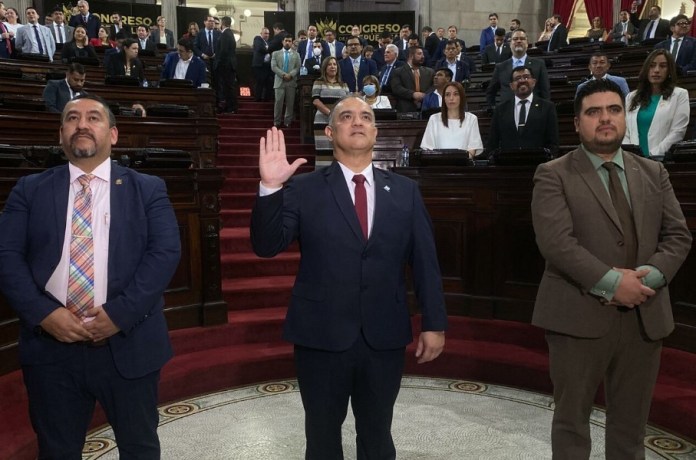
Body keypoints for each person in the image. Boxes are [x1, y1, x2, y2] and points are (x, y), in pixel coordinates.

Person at [251, 95, 447, 459]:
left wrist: (434, 323)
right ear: (329, 131)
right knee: (322, 438)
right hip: (320, 335)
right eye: (346, 117)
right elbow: (266, 245)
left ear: (375, 130)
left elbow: (425, 263)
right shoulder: (303, 187)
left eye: (366, 117)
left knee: (377, 435)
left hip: (384, 336)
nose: (357, 122)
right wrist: (270, 189)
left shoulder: (406, 192)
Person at [0, 93, 181, 459]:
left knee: (140, 448)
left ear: (113, 134)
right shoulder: (29, 190)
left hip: (128, 345)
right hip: (51, 350)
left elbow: (164, 255)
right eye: (72, 118)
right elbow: (6, 257)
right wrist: (44, 314)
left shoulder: (148, 189)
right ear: (61, 134)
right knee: (57, 451)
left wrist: (119, 315)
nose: (82, 124)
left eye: (93, 117)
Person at [531, 78, 692, 459]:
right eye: (594, 112)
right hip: (578, 316)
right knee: (571, 425)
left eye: (614, 110)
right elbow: (557, 243)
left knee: (631, 427)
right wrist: (611, 284)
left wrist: (645, 280)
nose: (605, 119)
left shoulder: (654, 172)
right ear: (576, 123)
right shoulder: (553, 173)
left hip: (644, 317)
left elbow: (678, 237)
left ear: (624, 117)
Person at [624, 49, 689, 159]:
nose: (656, 70)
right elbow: (625, 131)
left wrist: (652, 155)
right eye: (652, 66)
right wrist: (631, 154)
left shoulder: (680, 95)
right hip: (632, 160)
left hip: (660, 159)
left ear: (669, 70)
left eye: (663, 66)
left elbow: (678, 131)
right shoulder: (631, 97)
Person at [487, 66, 558, 152]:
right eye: (517, 78)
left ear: (534, 82)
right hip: (508, 163)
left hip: (539, 162)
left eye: (526, 77)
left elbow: (553, 142)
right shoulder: (501, 109)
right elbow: (493, 142)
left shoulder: (547, 107)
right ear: (511, 86)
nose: (522, 81)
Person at [486, 29, 550, 108]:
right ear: (510, 44)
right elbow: (491, 92)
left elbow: (545, 92)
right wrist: (494, 110)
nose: (518, 41)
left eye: (522, 39)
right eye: (515, 39)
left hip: (533, 112)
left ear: (527, 43)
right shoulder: (501, 67)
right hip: (508, 112)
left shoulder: (539, 64)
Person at [420, 81, 483, 157]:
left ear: (461, 97)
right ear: (444, 99)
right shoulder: (434, 119)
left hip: (463, 166)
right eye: (447, 95)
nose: (451, 98)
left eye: (456, 94)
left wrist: (458, 161)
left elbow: (473, 148)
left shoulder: (471, 119)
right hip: (438, 165)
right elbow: (427, 148)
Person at [311, 56, 350, 163]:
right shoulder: (318, 82)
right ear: (324, 67)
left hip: (340, 122)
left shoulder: (344, 84)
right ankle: (322, 177)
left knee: (339, 150)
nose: (332, 66)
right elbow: (316, 101)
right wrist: (331, 114)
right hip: (322, 121)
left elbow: (347, 103)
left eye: (334, 64)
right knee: (323, 151)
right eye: (329, 64)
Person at [391, 46, 433, 112]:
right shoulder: (398, 72)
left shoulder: (430, 72)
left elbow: (434, 86)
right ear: (411, 56)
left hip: (426, 108)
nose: (423, 56)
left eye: (423, 54)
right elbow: (396, 88)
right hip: (405, 109)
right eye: (419, 54)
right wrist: (413, 94)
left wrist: (425, 95)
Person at [271, 34, 300, 128]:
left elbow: (297, 67)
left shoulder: (296, 54)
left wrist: (290, 75)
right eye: (286, 41)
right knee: (278, 102)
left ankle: (287, 121)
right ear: (282, 42)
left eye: (289, 41)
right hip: (279, 81)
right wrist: (283, 75)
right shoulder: (275, 53)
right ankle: (277, 121)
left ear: (292, 43)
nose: (287, 43)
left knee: (290, 103)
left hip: (291, 81)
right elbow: (274, 67)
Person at [214, 16, 238, 114]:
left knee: (228, 87)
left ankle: (231, 107)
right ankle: (231, 107)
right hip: (230, 64)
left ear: (222, 24)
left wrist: (218, 63)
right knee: (229, 86)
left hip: (225, 65)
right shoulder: (230, 33)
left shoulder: (224, 34)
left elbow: (223, 51)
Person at [252, 27, 273, 102]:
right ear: (261, 33)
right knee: (259, 82)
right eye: (265, 33)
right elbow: (260, 48)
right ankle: (257, 98)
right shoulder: (257, 39)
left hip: (267, 66)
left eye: (268, 34)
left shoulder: (268, 42)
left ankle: (267, 98)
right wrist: (269, 50)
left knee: (268, 82)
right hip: (259, 65)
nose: (267, 35)